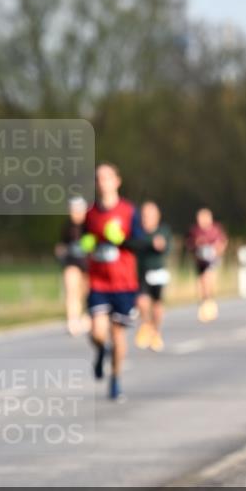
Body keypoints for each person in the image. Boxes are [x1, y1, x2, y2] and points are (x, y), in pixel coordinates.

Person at [80, 163, 141, 401]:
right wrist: (86, 244)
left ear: (117, 181)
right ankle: (100, 350)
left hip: (124, 282)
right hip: (99, 281)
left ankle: (115, 380)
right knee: (97, 332)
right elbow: (86, 237)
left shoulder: (128, 211)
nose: (102, 182)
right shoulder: (91, 213)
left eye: (107, 178)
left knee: (118, 335)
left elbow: (139, 242)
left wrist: (121, 240)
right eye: (98, 178)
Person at [130, 200, 172, 351]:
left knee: (157, 305)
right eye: (145, 215)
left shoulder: (163, 230)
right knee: (141, 301)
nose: (147, 218)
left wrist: (161, 246)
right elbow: (132, 244)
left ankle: (156, 331)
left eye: (151, 215)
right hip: (141, 272)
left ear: (157, 216)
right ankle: (146, 325)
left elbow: (167, 248)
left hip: (158, 272)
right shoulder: (138, 231)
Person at [55, 196, 91, 335]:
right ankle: (72, 321)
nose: (74, 213)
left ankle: (86, 316)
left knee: (85, 292)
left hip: (87, 264)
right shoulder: (67, 226)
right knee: (71, 291)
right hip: (71, 262)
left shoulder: (89, 225)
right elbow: (62, 244)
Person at [186, 208, 227, 323]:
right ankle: (203, 303)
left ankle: (210, 304)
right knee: (200, 283)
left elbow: (222, 243)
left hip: (212, 260)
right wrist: (196, 245)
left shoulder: (215, 229)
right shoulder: (195, 230)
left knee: (208, 279)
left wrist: (216, 250)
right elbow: (189, 244)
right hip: (200, 260)